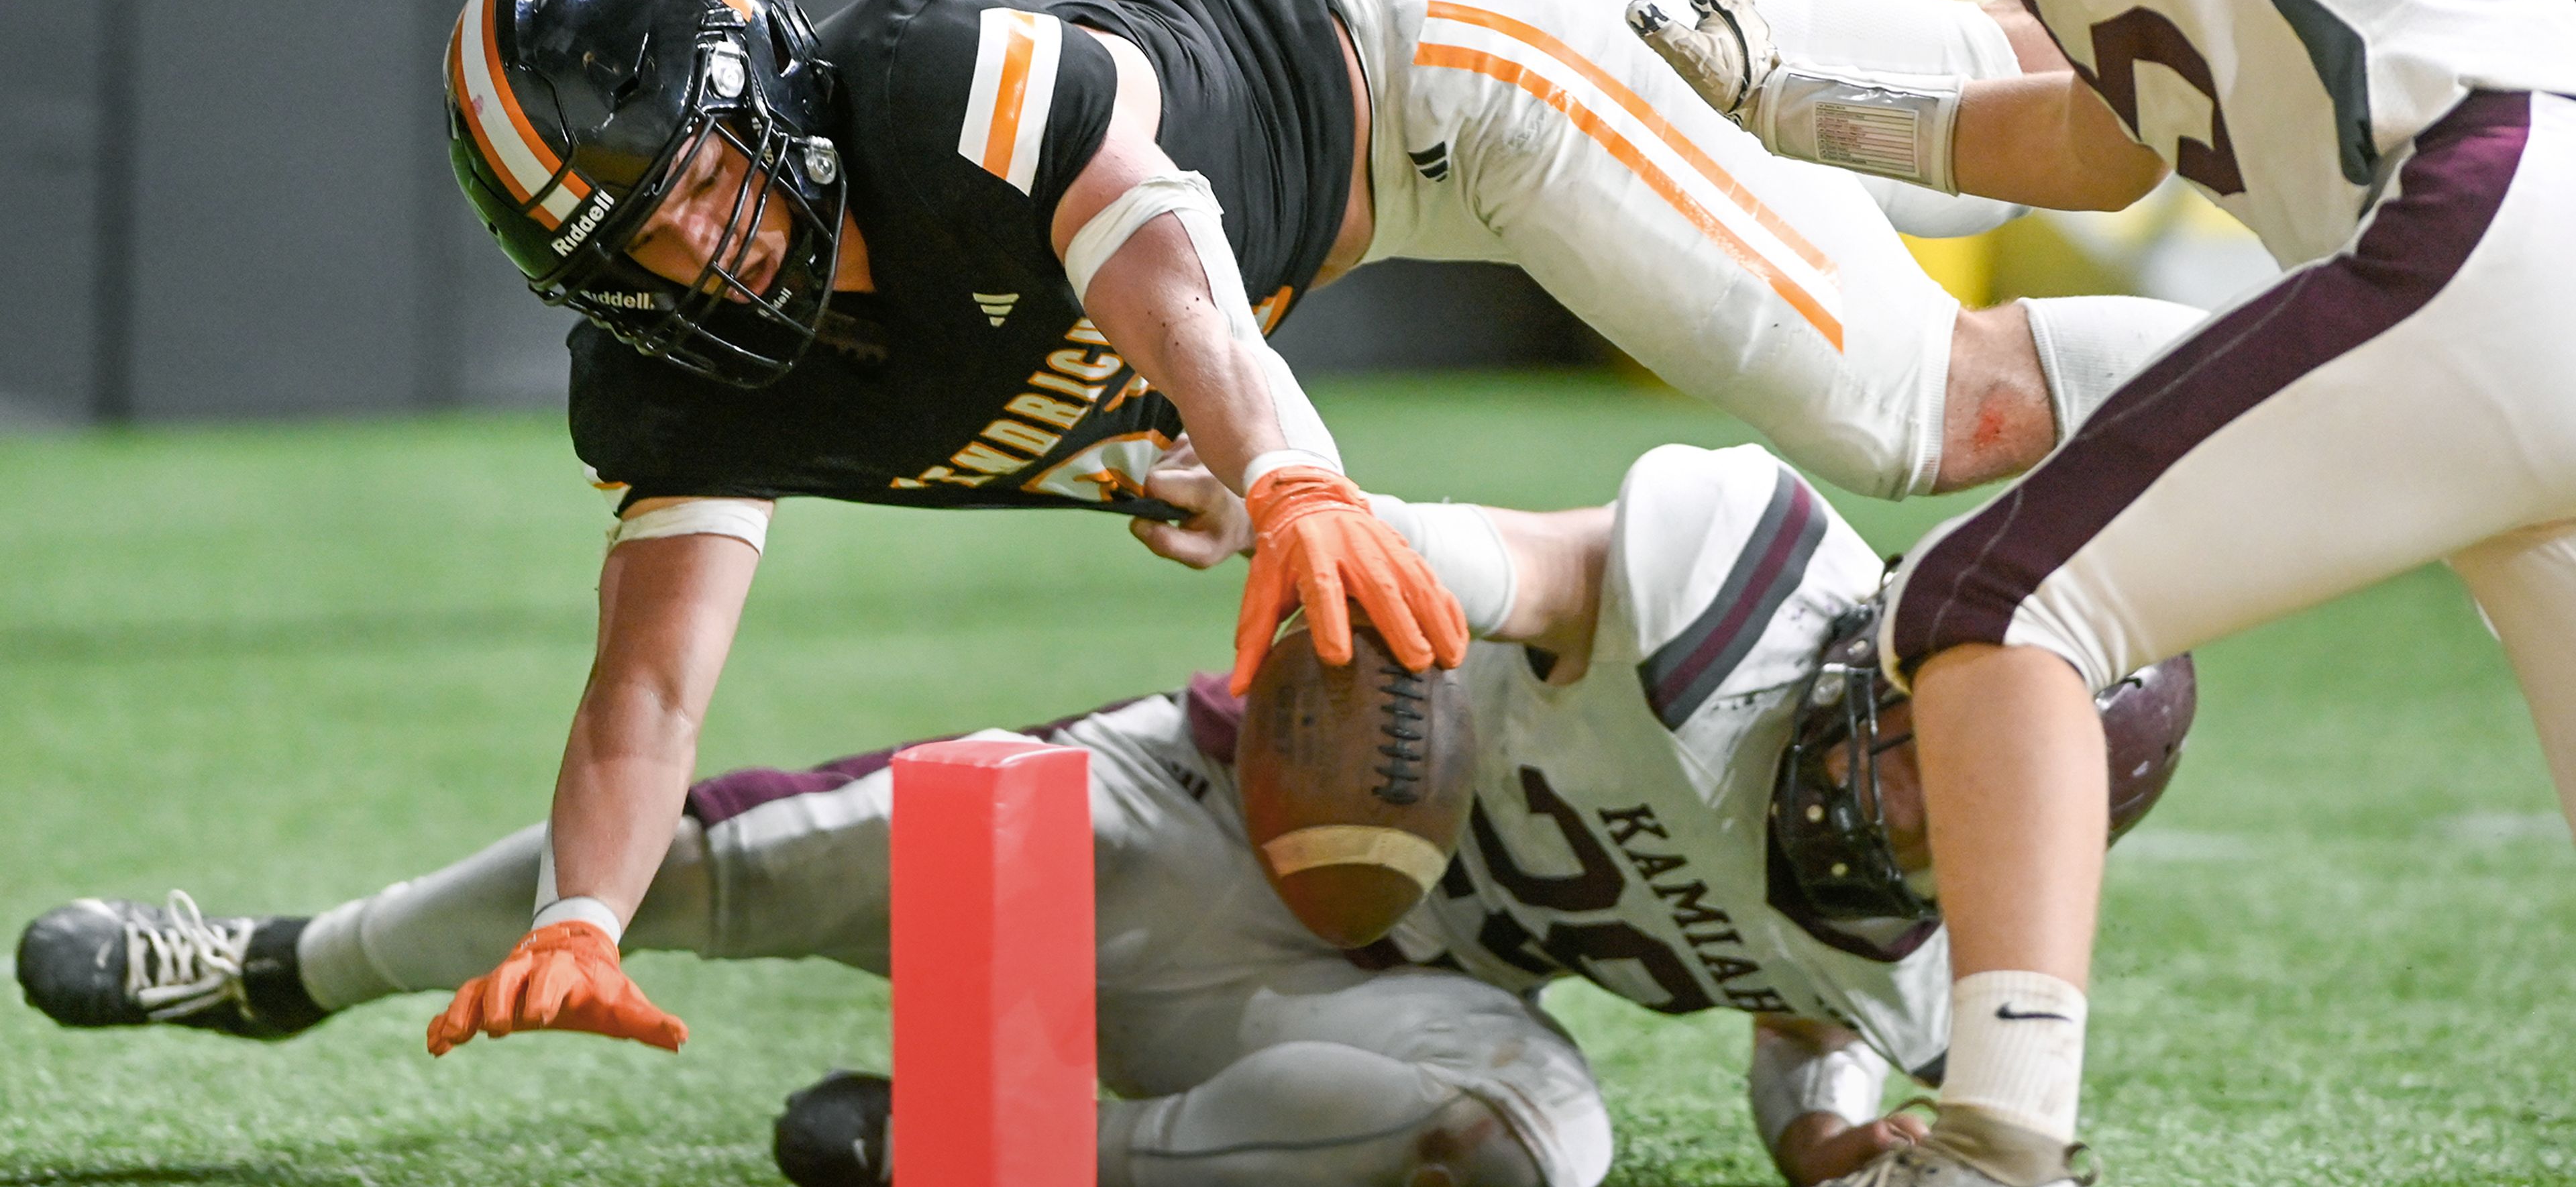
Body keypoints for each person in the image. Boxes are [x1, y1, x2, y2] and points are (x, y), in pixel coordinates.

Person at [420, 0, 2199, 1057]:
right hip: (1438, 109)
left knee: (1925, 412)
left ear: (764, 81)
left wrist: (1286, 472)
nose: (707, 257)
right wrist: (584, 908)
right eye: (639, 247)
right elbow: (647, 686)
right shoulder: (689, 382)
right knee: (2052, 108)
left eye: (707, 185)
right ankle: (2284, 10)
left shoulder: (921, 78)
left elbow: (1155, 241)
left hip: (1444, 54)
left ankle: (2365, 364)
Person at [1510, 0, 2576, 1186]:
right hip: (2527, 240)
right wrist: (1782, 95)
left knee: (1992, 608)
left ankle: (2000, 1141)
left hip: (2487, 217)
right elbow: (2089, 137)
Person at [16, 443, 2194, 1187]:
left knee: (1536, 1147)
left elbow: (1821, 1043)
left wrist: (1847, 1142)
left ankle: (1002, 1149)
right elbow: (1495, 567)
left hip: (1360, 1012)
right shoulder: (1746, 575)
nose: (1910, 771)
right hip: (1214, 812)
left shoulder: (1945, 974)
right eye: (1927, 712)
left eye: (1969, 779)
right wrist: (1330, 535)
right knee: (714, 860)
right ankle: (289, 962)